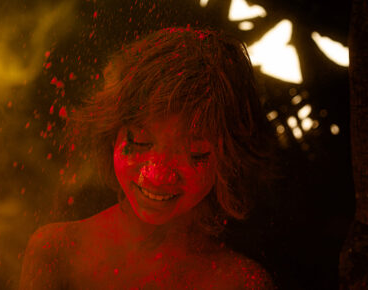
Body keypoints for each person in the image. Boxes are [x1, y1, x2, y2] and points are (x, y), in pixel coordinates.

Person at [20, 27, 276, 289]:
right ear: (111, 134)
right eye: (140, 142)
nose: (157, 174)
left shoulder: (241, 283)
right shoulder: (57, 251)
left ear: (228, 159)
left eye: (194, 153)